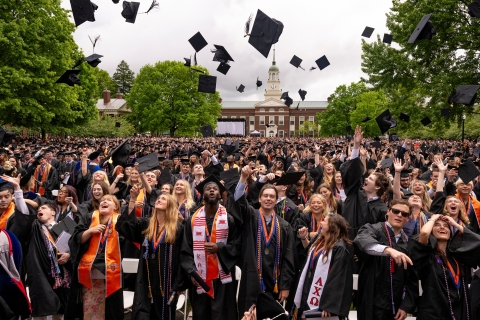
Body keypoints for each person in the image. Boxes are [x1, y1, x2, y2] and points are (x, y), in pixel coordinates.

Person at [232, 166, 296, 315]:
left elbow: (289, 257)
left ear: (276, 200)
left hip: (274, 281)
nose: (268, 199)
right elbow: (239, 200)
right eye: (265, 196)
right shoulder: (250, 217)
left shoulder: (284, 226)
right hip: (251, 278)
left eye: (271, 196)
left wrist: (285, 285)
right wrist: (243, 178)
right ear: (259, 199)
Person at [116, 193, 187, 320]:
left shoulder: (178, 229)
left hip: (167, 281)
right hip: (146, 278)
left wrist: (178, 284)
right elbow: (126, 227)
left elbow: (184, 257)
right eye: (158, 198)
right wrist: (132, 199)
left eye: (163, 198)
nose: (159, 199)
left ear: (170, 205)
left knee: (164, 313)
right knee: (142, 313)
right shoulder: (146, 224)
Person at [180, 176, 241, 320]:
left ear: (220, 195)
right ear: (202, 194)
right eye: (208, 189)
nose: (212, 191)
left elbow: (237, 245)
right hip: (200, 277)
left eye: (215, 189)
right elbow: (185, 249)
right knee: (201, 314)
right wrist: (192, 272)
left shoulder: (229, 219)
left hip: (222, 277)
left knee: (223, 315)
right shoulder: (192, 220)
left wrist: (220, 248)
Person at [354, 199, 417, 320]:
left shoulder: (409, 243)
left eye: (404, 214)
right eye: (396, 211)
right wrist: (388, 250)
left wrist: (405, 306)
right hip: (371, 300)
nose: (399, 215)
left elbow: (412, 280)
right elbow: (362, 242)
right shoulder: (373, 229)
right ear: (388, 212)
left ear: (408, 218)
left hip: (395, 307)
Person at [408, 214, 480, 320]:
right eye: (437, 225)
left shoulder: (457, 256)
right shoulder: (428, 255)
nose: (442, 227)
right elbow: (424, 233)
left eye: (446, 226)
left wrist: (455, 224)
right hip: (433, 312)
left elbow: (478, 242)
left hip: (458, 312)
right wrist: (433, 218)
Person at [66, 195, 124, 320]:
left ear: (116, 207)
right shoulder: (89, 218)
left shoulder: (120, 221)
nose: (104, 201)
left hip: (112, 272)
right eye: (103, 200)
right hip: (89, 272)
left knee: (110, 309)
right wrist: (90, 231)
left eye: (109, 200)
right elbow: (75, 240)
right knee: (89, 309)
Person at [294, 214, 353, 319]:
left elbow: (337, 279)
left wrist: (329, 305)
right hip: (308, 288)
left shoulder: (339, 248)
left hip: (324, 302)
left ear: (331, 226)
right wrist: (304, 238)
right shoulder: (319, 240)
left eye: (324, 221)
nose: (321, 223)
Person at [24, 203, 72, 320]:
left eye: (43, 208)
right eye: (38, 209)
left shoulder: (66, 225)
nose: (40, 209)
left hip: (62, 273)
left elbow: (78, 245)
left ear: (53, 212)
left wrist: (69, 255)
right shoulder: (34, 227)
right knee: (41, 307)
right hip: (40, 272)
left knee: (60, 309)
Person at [341, 126, 389, 239]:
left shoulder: (382, 210)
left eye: (370, 179)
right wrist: (356, 146)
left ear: (377, 187)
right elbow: (352, 173)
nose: (366, 179)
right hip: (345, 245)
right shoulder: (355, 193)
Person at [393, 159, 430, 237]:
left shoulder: (429, 217)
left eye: (418, 198)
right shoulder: (401, 214)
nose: (415, 197)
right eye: (412, 197)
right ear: (406, 203)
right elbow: (396, 193)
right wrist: (397, 172)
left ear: (422, 206)